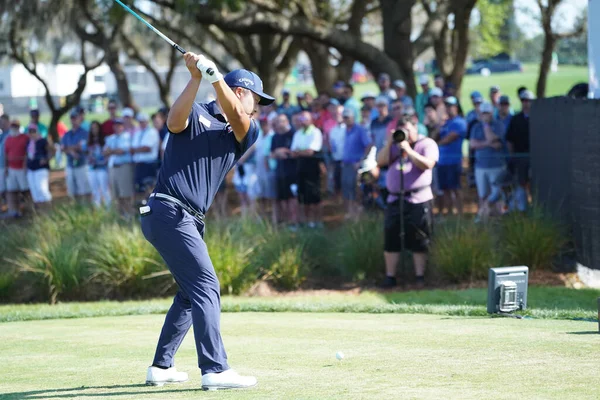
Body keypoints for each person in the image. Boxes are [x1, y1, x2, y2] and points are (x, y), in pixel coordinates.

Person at [140, 52, 273, 391]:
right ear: (241, 92)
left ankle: (161, 367)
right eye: (255, 100)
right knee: (206, 287)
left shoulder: (245, 130)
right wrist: (197, 79)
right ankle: (215, 368)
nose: (257, 108)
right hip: (168, 210)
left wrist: (215, 78)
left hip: (186, 218)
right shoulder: (196, 113)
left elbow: (239, 120)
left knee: (189, 292)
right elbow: (173, 123)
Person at [376, 116, 439, 288]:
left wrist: (408, 150)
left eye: (408, 131)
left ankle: (419, 277)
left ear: (415, 128)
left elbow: (428, 164)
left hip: (418, 199)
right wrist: (390, 143)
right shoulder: (394, 146)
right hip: (395, 199)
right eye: (401, 131)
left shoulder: (426, 144)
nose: (405, 135)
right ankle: (391, 277)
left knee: (419, 238)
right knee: (391, 237)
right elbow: (380, 161)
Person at [469, 103, 506, 222]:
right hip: (480, 166)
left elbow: (492, 139)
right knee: (483, 194)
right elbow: (473, 144)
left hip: (496, 166)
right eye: (483, 113)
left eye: (487, 113)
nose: (485, 115)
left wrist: (485, 126)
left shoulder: (498, 125)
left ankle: (498, 218)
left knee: (496, 194)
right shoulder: (475, 127)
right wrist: (488, 144)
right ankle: (484, 217)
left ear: (492, 113)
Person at [290, 111, 323, 228]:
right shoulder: (298, 133)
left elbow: (311, 151)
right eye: (301, 119)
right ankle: (306, 221)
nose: (302, 121)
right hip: (300, 167)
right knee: (302, 196)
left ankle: (317, 221)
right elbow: (293, 153)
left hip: (312, 167)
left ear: (311, 120)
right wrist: (302, 152)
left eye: (305, 119)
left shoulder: (316, 132)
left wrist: (299, 152)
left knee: (314, 195)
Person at [436, 96, 466, 216]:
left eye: (451, 106)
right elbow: (435, 135)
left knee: (456, 188)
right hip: (442, 161)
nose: (449, 109)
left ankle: (460, 213)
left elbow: (448, 139)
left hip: (454, 161)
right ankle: (449, 213)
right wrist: (439, 125)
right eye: (447, 106)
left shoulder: (460, 122)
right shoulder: (445, 123)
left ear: (456, 107)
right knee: (445, 189)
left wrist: (434, 144)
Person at [505, 90, 534, 212]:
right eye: (523, 100)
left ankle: (534, 206)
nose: (526, 103)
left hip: (535, 158)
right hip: (520, 158)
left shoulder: (539, 118)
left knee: (534, 184)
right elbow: (509, 139)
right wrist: (512, 156)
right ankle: (524, 208)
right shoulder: (515, 119)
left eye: (528, 101)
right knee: (521, 183)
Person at [340, 108, 372, 220]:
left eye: (348, 117)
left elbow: (368, 145)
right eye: (344, 117)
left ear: (353, 118)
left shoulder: (360, 129)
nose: (346, 120)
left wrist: (361, 160)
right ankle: (350, 212)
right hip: (346, 164)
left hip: (355, 165)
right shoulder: (344, 130)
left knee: (356, 189)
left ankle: (357, 214)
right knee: (346, 188)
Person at [270, 114, 299, 228]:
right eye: (277, 122)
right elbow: (272, 154)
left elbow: (295, 151)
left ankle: (295, 221)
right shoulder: (275, 137)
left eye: (281, 121)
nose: (279, 124)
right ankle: (287, 221)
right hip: (280, 172)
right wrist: (278, 152)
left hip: (292, 171)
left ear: (287, 121)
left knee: (293, 198)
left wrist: (283, 151)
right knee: (282, 199)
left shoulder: (293, 134)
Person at [104, 118, 134, 216]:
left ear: (123, 126)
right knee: (116, 195)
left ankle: (129, 215)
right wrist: (113, 151)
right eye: (116, 125)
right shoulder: (110, 138)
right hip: (113, 168)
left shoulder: (127, 136)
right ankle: (121, 216)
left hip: (123, 166)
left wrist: (111, 151)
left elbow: (122, 150)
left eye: (119, 125)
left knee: (125, 193)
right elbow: (104, 152)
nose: (117, 127)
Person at [61, 110, 91, 202]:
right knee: (72, 190)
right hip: (70, 165)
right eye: (72, 118)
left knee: (84, 190)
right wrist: (72, 150)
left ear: (79, 119)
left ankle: (86, 209)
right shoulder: (67, 134)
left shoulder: (84, 133)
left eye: (75, 118)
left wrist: (69, 148)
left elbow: (83, 147)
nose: (73, 120)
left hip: (82, 164)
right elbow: (63, 148)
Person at [131, 112, 160, 205]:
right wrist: (138, 149)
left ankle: (151, 207)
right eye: (140, 122)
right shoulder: (138, 133)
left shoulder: (152, 132)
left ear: (147, 122)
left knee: (149, 187)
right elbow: (133, 149)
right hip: (139, 164)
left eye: (143, 121)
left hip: (149, 164)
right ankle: (141, 209)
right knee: (139, 188)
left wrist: (136, 149)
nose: (142, 123)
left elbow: (147, 148)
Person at [4, 120, 30, 218]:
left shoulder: (25, 138)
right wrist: (7, 167)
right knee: (11, 190)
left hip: (22, 169)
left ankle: (28, 209)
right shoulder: (8, 139)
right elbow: (6, 154)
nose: (14, 128)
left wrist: (26, 164)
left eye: (16, 126)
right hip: (11, 168)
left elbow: (28, 152)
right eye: (12, 126)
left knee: (25, 190)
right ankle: (14, 210)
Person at [26, 123, 53, 211]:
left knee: (42, 189)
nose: (31, 133)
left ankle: (48, 208)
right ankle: (40, 212)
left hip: (41, 169)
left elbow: (51, 151)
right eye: (30, 131)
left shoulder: (43, 141)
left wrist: (46, 159)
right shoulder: (28, 142)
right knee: (35, 191)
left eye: (33, 131)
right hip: (31, 168)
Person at [87, 121, 111, 208]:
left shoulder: (105, 140)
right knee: (94, 191)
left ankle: (109, 209)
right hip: (92, 168)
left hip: (102, 168)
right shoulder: (89, 141)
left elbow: (107, 153)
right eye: (92, 128)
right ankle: (97, 209)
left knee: (105, 189)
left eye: (96, 128)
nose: (94, 130)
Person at [327, 104, 346, 199]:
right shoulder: (332, 131)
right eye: (335, 113)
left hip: (348, 162)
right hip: (336, 160)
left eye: (339, 113)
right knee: (337, 185)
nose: (337, 115)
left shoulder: (348, 128)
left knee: (348, 186)